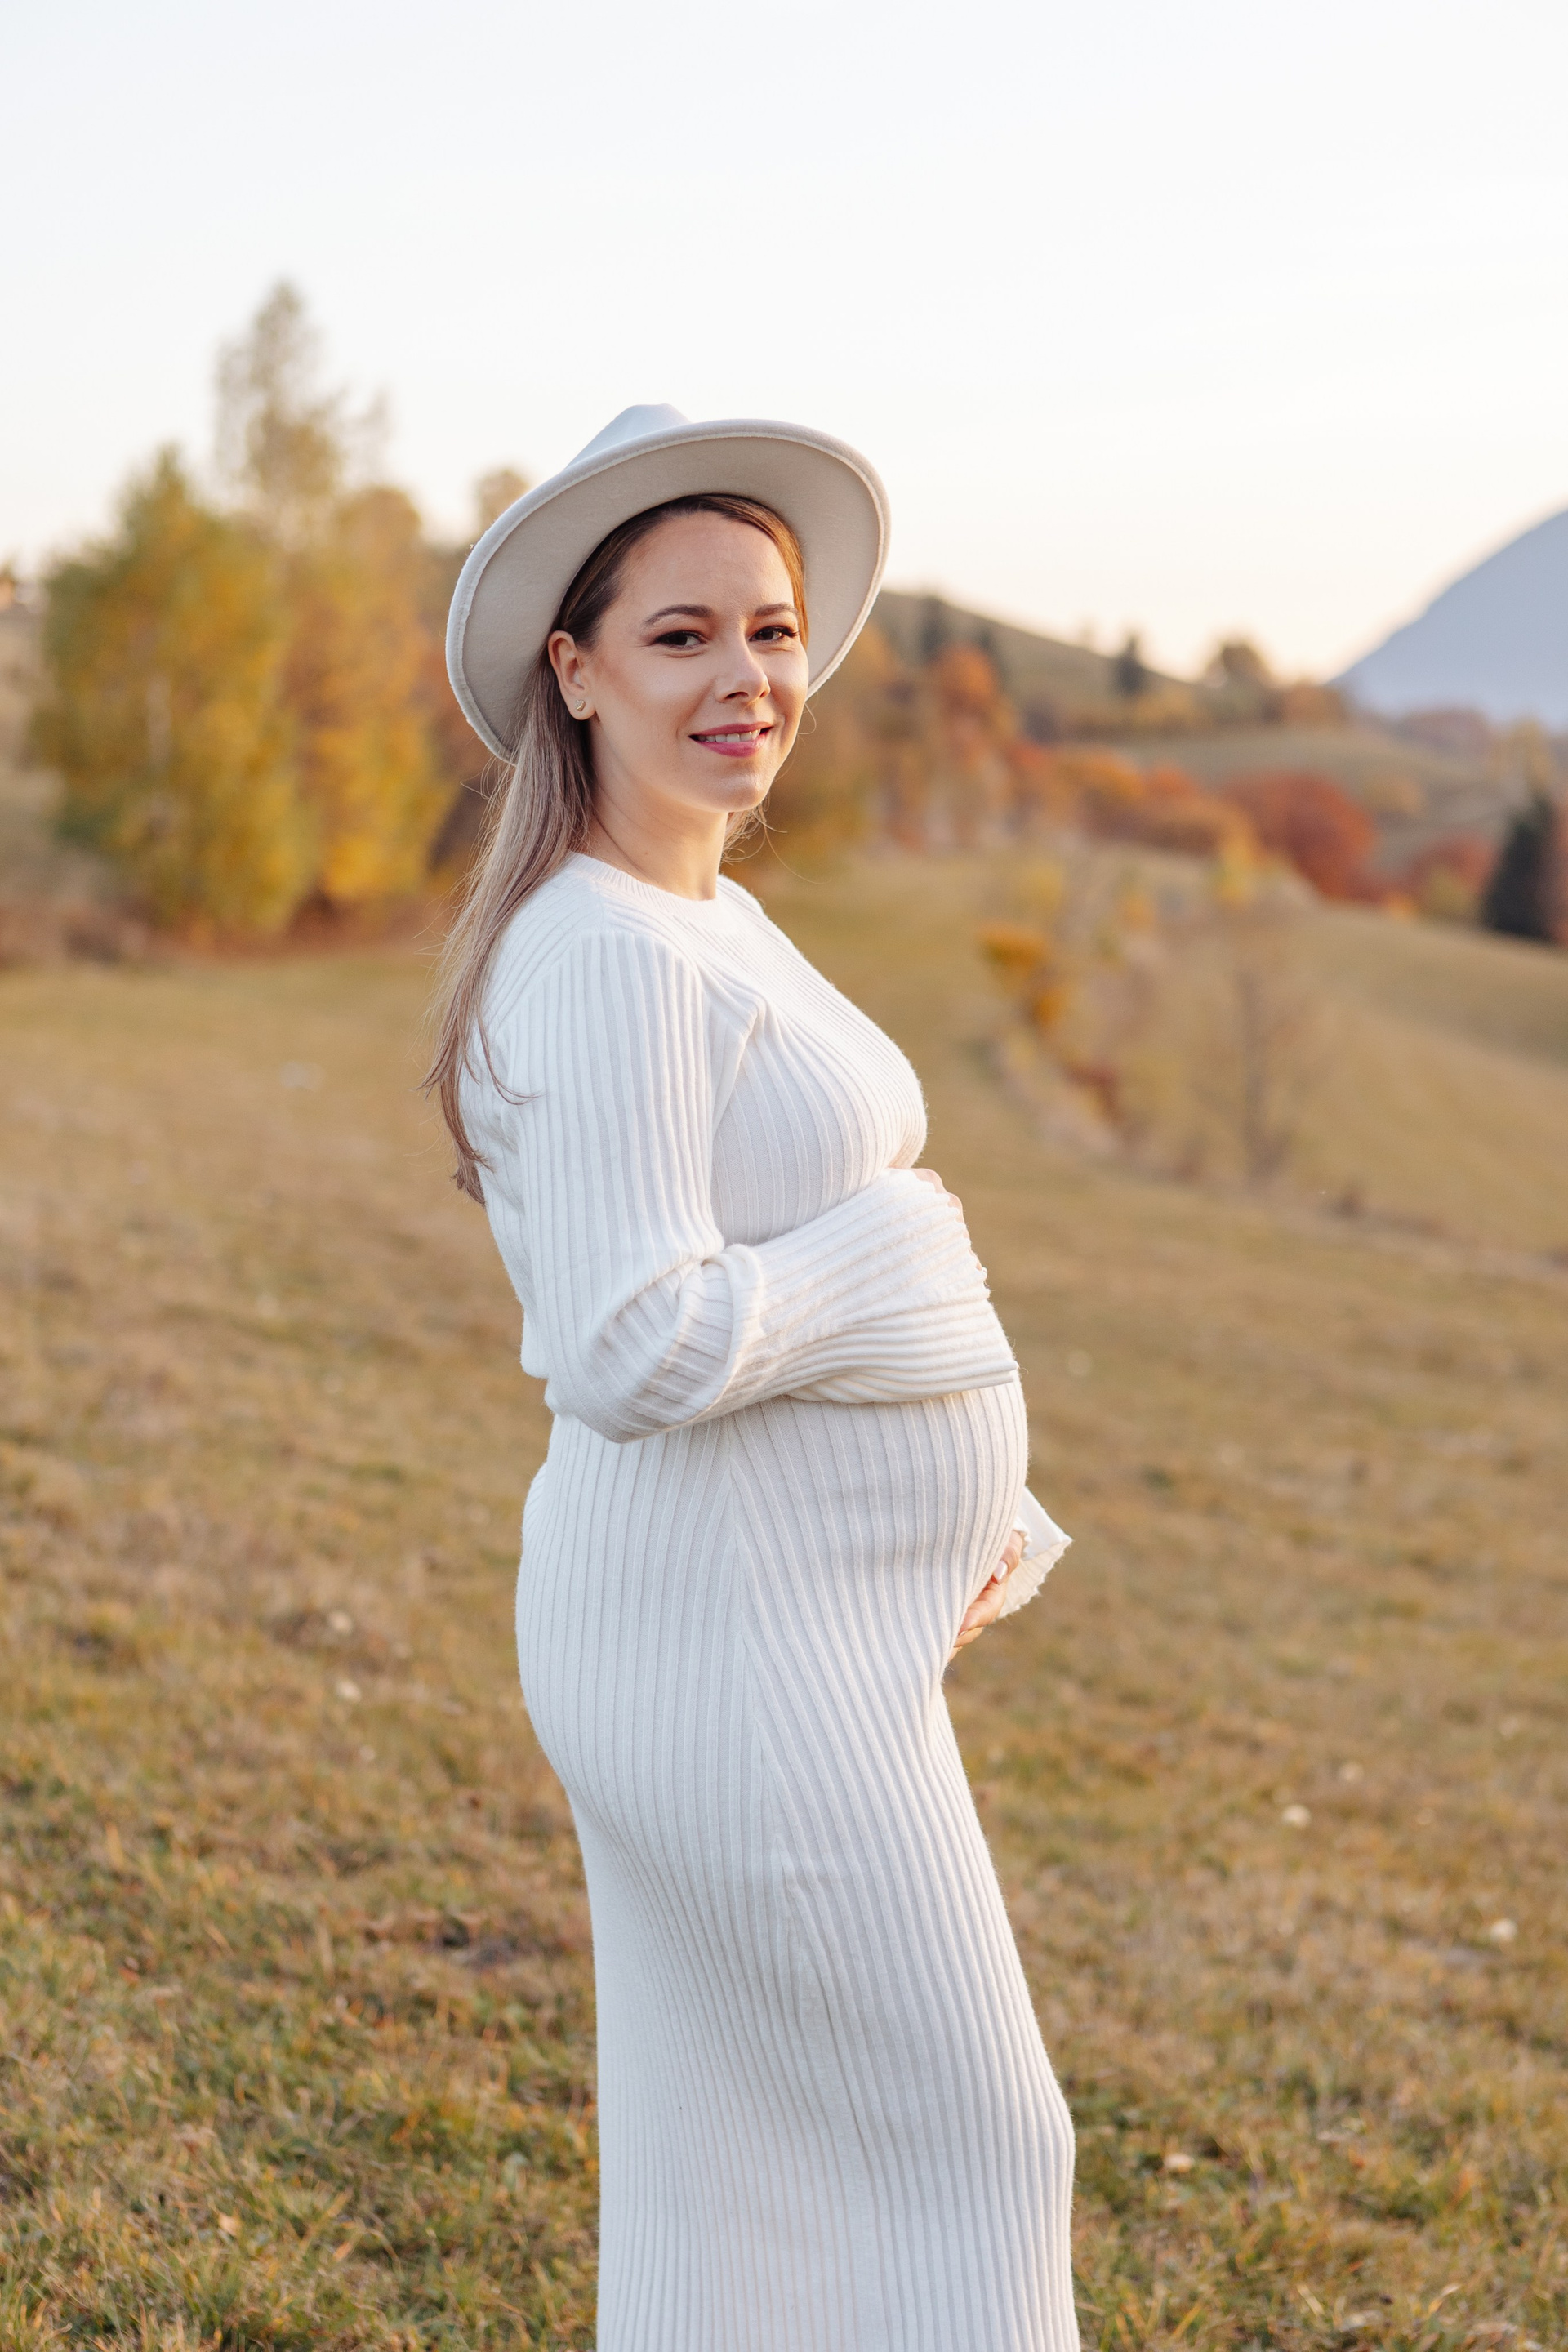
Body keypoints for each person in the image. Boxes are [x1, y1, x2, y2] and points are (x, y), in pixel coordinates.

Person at [426, 406, 1079, 2351]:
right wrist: (911, 1264)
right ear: (577, 671)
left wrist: (975, 1495)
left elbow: (776, 1228)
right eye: (684, 634)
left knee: (748, 2187)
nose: (748, 677)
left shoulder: (711, 915)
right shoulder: (606, 958)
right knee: (982, 2156)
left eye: (774, 631)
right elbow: (631, 1339)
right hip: (728, 1655)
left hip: (778, 1633)